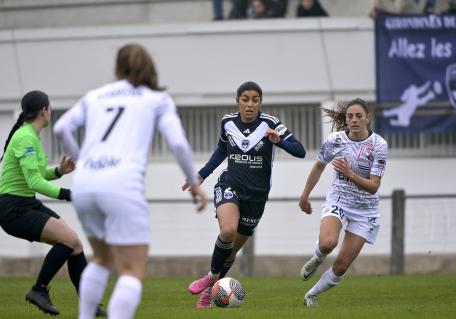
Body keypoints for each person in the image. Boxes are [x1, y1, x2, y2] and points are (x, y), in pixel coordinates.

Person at [53, 43, 207, 319]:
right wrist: (195, 184)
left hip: (86, 183)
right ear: (150, 69)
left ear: (116, 69)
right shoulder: (156, 99)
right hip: (121, 184)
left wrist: (84, 162)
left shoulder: (95, 96)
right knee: (131, 270)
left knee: (100, 259)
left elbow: (61, 128)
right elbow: (178, 144)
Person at [182, 81, 306, 308]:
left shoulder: (271, 123)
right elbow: (221, 150)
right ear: (237, 101)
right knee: (227, 230)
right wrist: (201, 175)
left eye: (255, 100)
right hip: (230, 184)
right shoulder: (228, 122)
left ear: (260, 102)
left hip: (257, 196)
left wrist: (280, 142)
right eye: (245, 99)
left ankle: (209, 291)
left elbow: (300, 150)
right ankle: (210, 277)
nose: (249, 105)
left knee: (230, 254)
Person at [0, 91, 106, 317]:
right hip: (12, 209)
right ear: (44, 111)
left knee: (75, 243)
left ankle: (90, 305)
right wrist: (69, 194)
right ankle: (38, 290)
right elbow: (34, 181)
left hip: (25, 203)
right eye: (50, 107)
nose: (51, 111)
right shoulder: (25, 137)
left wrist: (59, 171)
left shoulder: (31, 136)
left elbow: (37, 175)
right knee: (68, 241)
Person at [298, 98, 388, 307]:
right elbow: (319, 166)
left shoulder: (379, 145)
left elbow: (374, 186)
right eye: (350, 116)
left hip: (366, 210)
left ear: (368, 118)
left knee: (341, 265)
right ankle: (317, 258)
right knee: (328, 243)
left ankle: (311, 295)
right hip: (338, 200)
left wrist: (349, 173)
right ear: (345, 119)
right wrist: (304, 195)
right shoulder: (334, 140)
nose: (354, 120)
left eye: (358, 116)